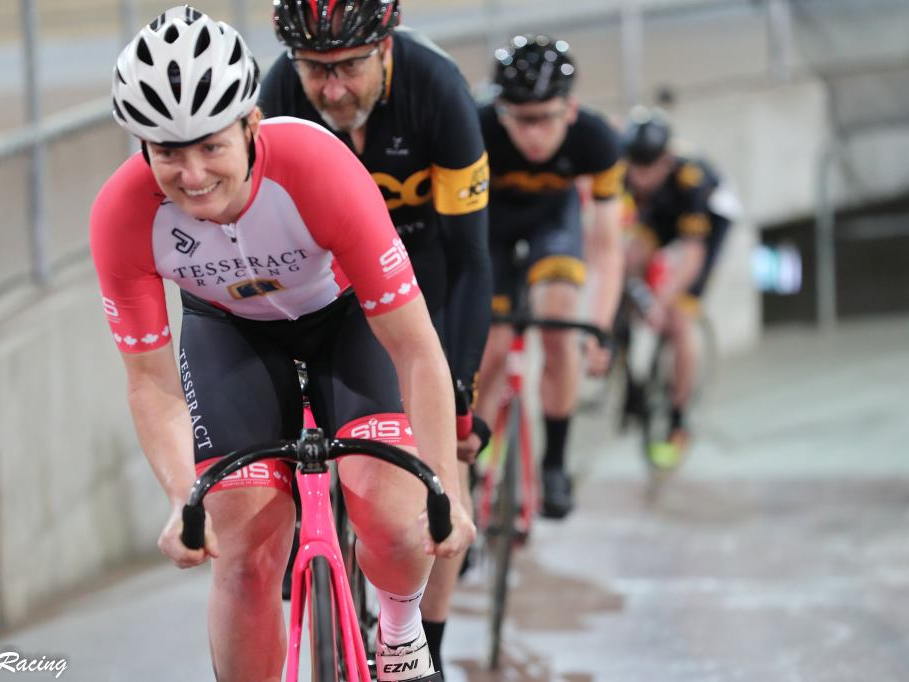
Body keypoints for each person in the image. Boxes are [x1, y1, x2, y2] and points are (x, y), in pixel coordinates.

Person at [90, 7, 473, 681]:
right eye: (168, 153)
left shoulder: (317, 166)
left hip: (346, 319)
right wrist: (183, 497)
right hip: (229, 333)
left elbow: (416, 347)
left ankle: (399, 627)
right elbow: (150, 381)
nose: (192, 174)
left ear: (251, 124)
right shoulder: (122, 215)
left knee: (394, 517)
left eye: (211, 146)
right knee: (243, 557)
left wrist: (444, 488)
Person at [260, 0, 492, 673]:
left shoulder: (437, 90)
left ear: (386, 48)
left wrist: (460, 387)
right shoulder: (279, 95)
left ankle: (428, 647)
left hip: (422, 274)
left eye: (348, 67)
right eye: (315, 69)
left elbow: (471, 260)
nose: (332, 89)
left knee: (442, 464)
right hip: (324, 286)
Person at [475, 35, 625, 519]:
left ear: (571, 109)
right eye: (521, 120)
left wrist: (599, 326)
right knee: (490, 349)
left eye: (545, 118)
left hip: (553, 224)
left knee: (560, 326)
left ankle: (554, 463)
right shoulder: (475, 127)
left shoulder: (597, 140)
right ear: (501, 112)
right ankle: (471, 466)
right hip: (489, 227)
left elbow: (606, 245)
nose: (534, 135)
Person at [620, 106, 735, 464]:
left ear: (666, 161)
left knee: (679, 318)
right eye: (635, 167)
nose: (639, 178)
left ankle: (678, 418)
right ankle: (626, 364)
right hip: (663, 215)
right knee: (625, 260)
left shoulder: (692, 179)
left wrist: (661, 300)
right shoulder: (627, 170)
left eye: (648, 168)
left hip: (708, 227)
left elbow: (692, 253)